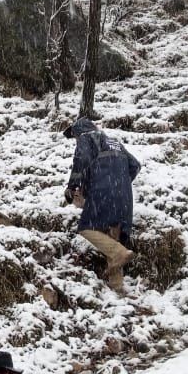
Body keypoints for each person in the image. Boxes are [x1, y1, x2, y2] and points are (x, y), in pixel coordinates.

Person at [63, 116, 141, 291]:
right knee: (112, 238)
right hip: (124, 196)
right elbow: (135, 165)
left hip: (103, 191)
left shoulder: (87, 137)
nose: (76, 140)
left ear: (78, 131)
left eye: (74, 136)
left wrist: (72, 186)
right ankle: (117, 287)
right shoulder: (114, 142)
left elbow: (80, 161)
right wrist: (120, 181)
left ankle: (120, 254)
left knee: (87, 228)